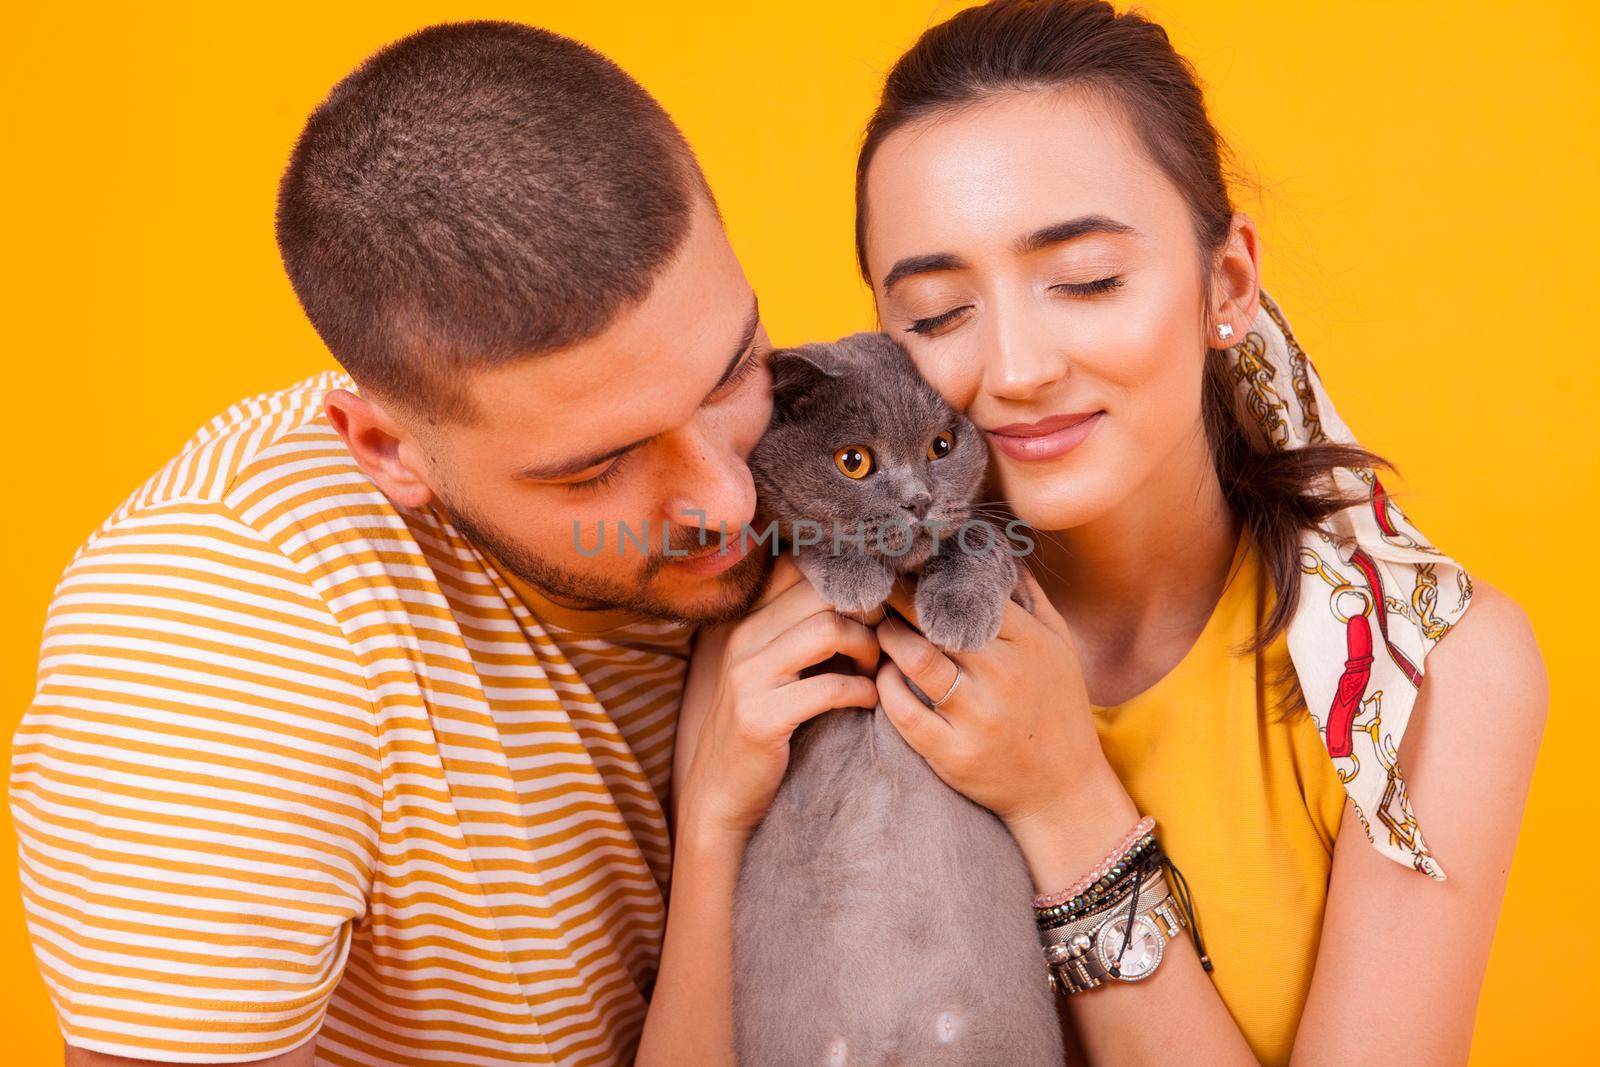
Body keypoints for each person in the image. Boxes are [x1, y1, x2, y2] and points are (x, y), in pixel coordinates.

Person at [10, 21, 877, 1066]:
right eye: (598, 467)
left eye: (732, 369)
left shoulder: (842, 438)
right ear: (388, 449)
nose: (727, 498)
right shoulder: (217, 646)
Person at [839, 0, 1544, 1062]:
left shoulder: (1421, 669)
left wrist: (1066, 801)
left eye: (1086, 281)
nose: (1017, 368)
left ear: (1226, 283)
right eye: (938, 313)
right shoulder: (842, 634)